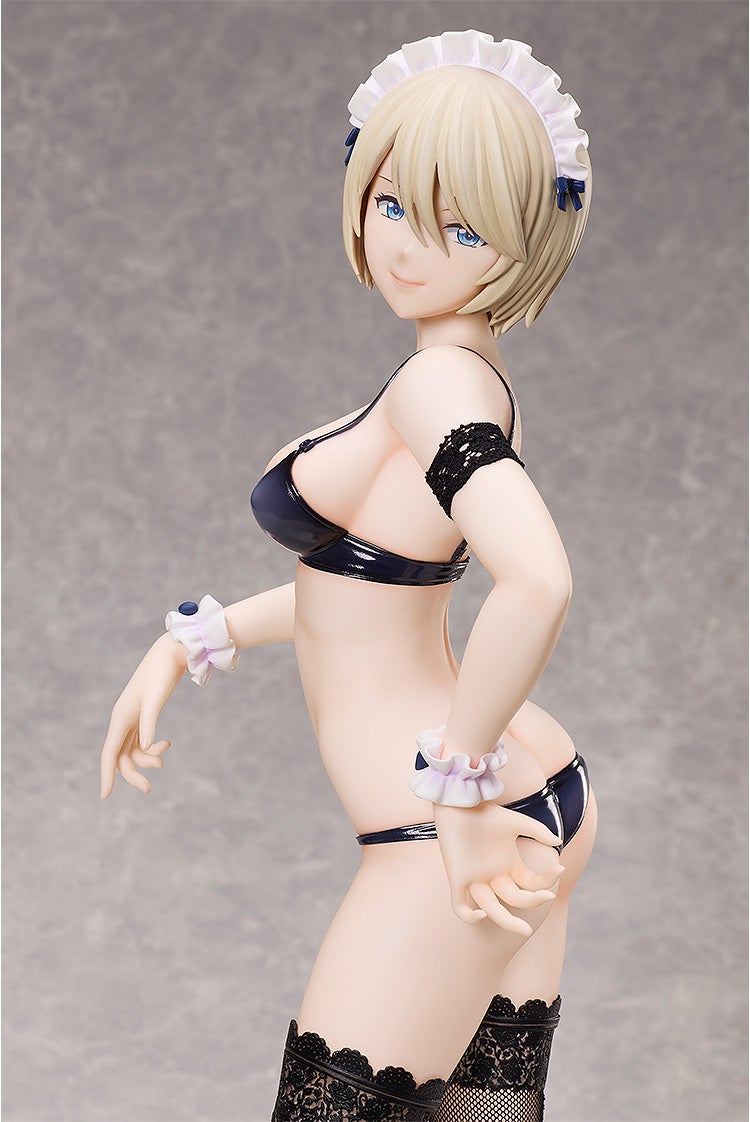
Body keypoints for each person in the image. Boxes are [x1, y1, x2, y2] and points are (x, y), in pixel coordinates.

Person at [100, 31, 597, 1122]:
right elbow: (367, 598)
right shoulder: (458, 376)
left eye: (462, 226)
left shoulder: (439, 391)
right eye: (392, 204)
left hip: (443, 832)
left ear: (524, 237)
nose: (410, 247)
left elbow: (538, 581)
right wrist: (196, 640)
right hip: (514, 799)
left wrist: (457, 795)